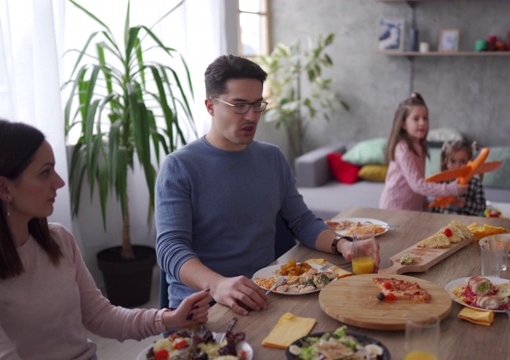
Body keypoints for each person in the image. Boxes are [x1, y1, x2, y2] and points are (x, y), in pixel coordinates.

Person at [154, 54, 369, 316]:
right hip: (203, 305)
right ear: (211, 106)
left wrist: (343, 244)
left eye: (257, 105)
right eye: (239, 105)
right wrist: (218, 284)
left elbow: (301, 221)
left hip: (267, 292)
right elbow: (169, 248)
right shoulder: (179, 167)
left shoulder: (272, 158)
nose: (252, 116)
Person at [0, 119, 211, 360]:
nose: (59, 182)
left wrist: (169, 318)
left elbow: (100, 316)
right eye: (45, 172)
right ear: (5, 189)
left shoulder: (58, 240)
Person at [379, 92, 467, 211]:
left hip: (412, 209)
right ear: (404, 123)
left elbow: (419, 180)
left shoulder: (420, 146)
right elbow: (417, 185)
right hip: (394, 208)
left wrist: (425, 201)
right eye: (416, 119)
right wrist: (449, 189)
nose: (422, 123)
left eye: (425, 118)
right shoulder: (403, 149)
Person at [431, 140, 486, 216]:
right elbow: (435, 208)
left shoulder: (475, 184)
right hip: (443, 224)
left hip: (466, 225)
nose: (457, 166)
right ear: (447, 163)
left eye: (463, 161)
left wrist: (464, 203)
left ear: (470, 163)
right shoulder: (441, 182)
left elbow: (482, 208)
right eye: (453, 161)